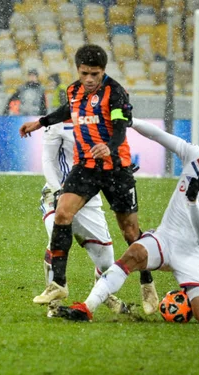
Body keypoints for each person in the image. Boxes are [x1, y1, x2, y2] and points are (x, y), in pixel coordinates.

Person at [57, 119, 199, 324]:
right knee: (132, 254)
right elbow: (158, 135)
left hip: (192, 254)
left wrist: (193, 202)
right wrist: (131, 121)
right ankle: (86, 308)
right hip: (164, 239)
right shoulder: (194, 157)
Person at [19, 44, 159, 315]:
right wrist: (40, 122)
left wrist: (109, 145)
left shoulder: (116, 93)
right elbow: (66, 111)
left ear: (103, 71)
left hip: (117, 168)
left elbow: (120, 127)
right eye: (85, 73)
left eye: (95, 74)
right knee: (62, 214)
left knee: (130, 232)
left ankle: (147, 281)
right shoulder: (74, 91)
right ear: (78, 71)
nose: (90, 79)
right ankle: (58, 283)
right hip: (86, 166)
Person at [35, 122, 128, 316]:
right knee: (56, 237)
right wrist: (58, 190)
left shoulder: (101, 119)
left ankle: (102, 292)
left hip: (89, 196)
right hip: (57, 193)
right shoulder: (57, 124)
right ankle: (56, 299)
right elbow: (48, 161)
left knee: (106, 261)